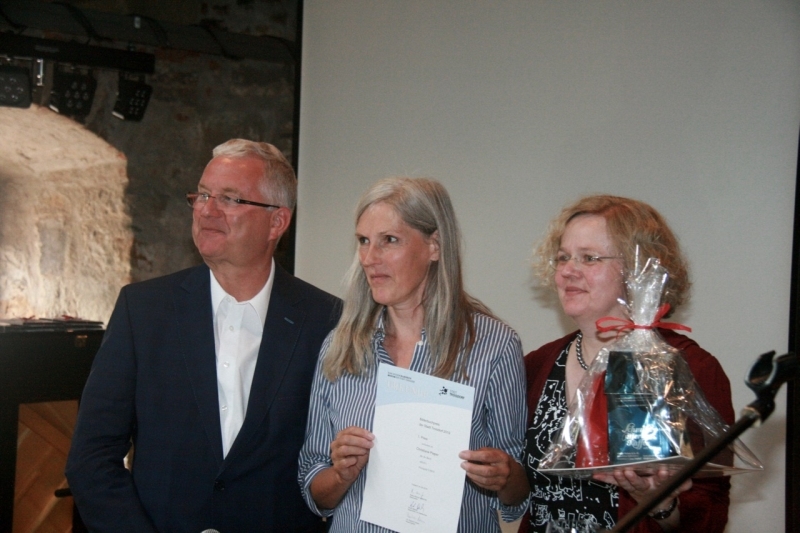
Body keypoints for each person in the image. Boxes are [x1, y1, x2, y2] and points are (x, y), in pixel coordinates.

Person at [65, 139, 341, 532]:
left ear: (277, 221)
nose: (207, 210)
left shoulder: (326, 320)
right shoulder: (143, 310)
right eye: (203, 195)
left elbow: (329, 465)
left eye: (229, 199)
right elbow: (91, 457)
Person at [297, 177, 528, 532]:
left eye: (389, 240)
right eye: (363, 241)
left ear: (434, 245)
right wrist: (341, 473)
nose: (370, 259)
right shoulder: (341, 347)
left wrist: (504, 475)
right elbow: (314, 487)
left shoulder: (494, 346)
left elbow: (518, 493)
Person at [520, 194, 734, 533]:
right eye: (563, 257)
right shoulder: (538, 364)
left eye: (589, 258)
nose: (568, 271)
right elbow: (523, 488)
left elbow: (710, 514)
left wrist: (662, 504)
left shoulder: (690, 368)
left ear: (639, 268)